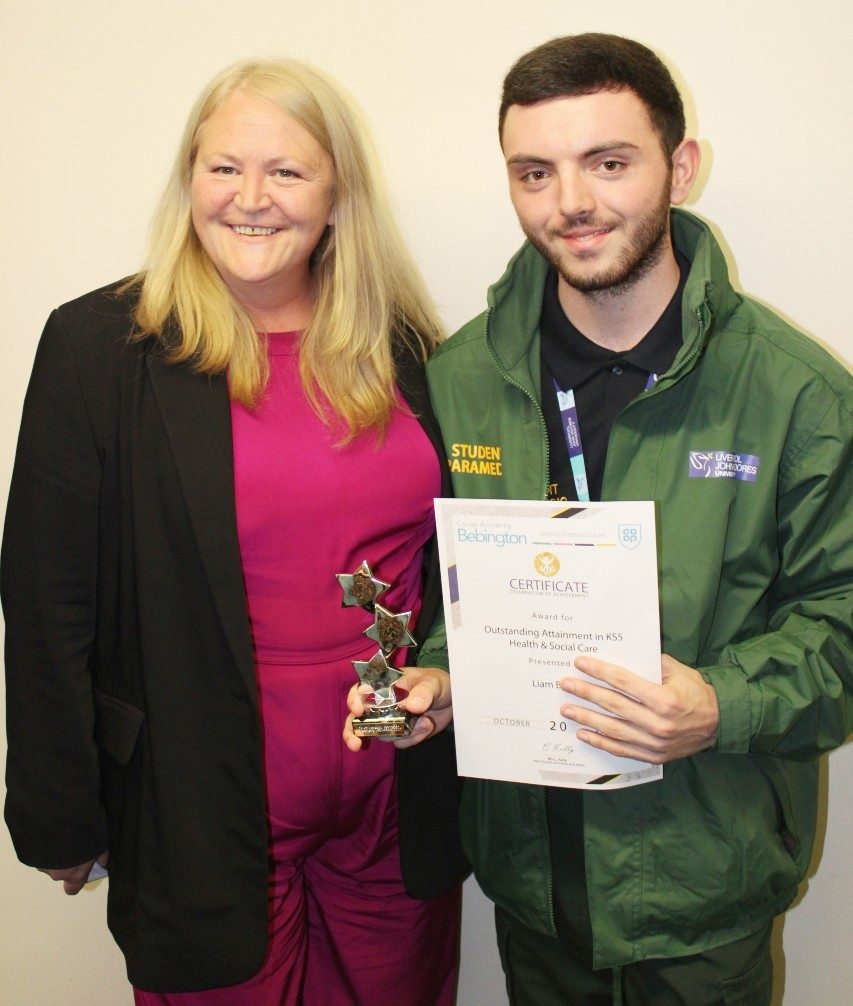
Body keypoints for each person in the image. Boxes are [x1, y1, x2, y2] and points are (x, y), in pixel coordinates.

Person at [2, 58, 467, 1004]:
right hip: (197, 803)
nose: (251, 199)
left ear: (337, 197)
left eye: (287, 172)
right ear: (189, 181)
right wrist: (57, 807)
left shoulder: (408, 347)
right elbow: (47, 600)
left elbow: (454, 559)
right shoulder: (101, 348)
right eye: (223, 168)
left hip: (395, 797)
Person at [418, 33, 852, 1005]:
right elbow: (445, 593)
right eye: (534, 172)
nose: (569, 201)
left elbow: (843, 626)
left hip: (704, 893)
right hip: (531, 888)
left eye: (607, 162)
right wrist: (443, 677)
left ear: (679, 167)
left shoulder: (796, 395)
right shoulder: (459, 380)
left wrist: (721, 703)